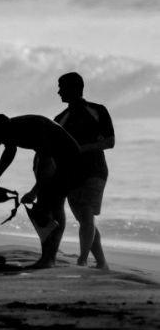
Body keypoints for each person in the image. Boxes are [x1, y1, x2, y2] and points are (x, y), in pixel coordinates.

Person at [0, 114, 80, 269]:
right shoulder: (10, 130)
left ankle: (49, 258)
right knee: (43, 205)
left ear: (6, 130)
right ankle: (47, 256)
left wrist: (34, 191)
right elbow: (9, 152)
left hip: (68, 158)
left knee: (54, 203)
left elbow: (49, 163)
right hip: (51, 156)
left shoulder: (33, 129)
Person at [55, 72, 114, 269]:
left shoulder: (97, 110)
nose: (58, 92)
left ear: (75, 89)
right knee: (84, 219)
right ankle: (101, 262)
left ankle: (82, 260)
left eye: (62, 87)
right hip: (71, 174)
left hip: (95, 170)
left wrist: (81, 148)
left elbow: (110, 141)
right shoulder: (59, 119)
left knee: (87, 214)